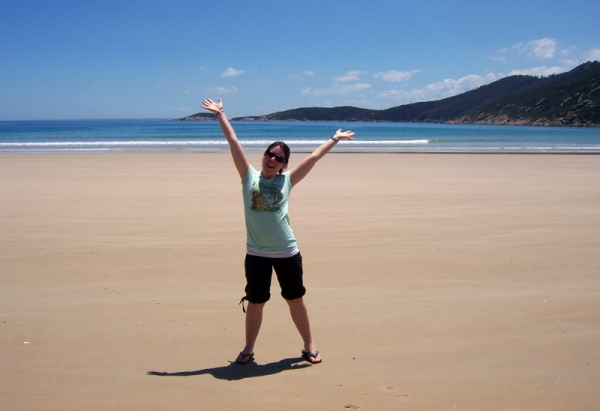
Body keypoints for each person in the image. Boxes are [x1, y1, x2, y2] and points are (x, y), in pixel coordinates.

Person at [201, 98, 355, 365]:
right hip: (256, 254)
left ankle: (309, 345)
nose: (272, 159)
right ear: (263, 156)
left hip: (287, 252)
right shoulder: (248, 176)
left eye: (279, 158)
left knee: (295, 299)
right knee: (256, 302)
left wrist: (335, 138)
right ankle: (249, 348)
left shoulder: (288, 180)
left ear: (284, 164)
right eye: (269, 154)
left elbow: (314, 158)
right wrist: (221, 114)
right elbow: (234, 142)